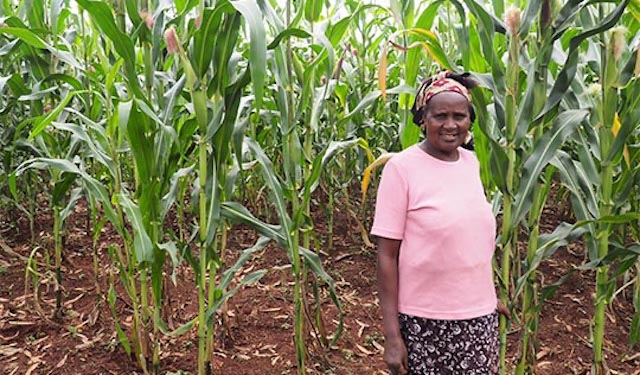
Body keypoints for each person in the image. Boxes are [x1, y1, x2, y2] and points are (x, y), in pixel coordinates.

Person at [372, 71, 508, 375]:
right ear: (423, 119)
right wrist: (392, 337)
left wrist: (486, 296)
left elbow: (470, 237)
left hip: (478, 319)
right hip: (424, 322)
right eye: (440, 116)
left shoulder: (474, 164)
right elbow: (386, 255)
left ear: (470, 120)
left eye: (459, 115)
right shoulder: (401, 169)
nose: (450, 125)